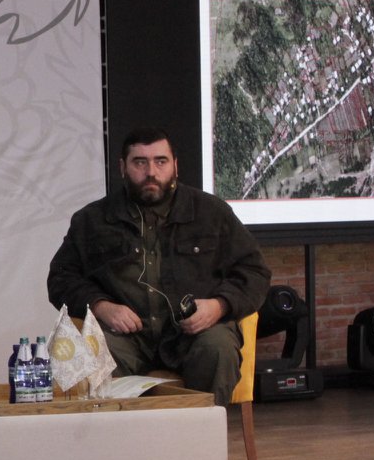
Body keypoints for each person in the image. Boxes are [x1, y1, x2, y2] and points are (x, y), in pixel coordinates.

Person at [47, 126, 271, 404]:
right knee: (91, 356)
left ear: (175, 165)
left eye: (160, 161)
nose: (151, 172)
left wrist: (219, 306)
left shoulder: (211, 213)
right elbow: (60, 278)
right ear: (123, 167)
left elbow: (254, 271)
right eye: (140, 162)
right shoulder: (92, 220)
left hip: (193, 333)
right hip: (125, 336)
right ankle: (115, 433)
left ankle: (200, 431)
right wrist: (102, 306)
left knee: (217, 348)